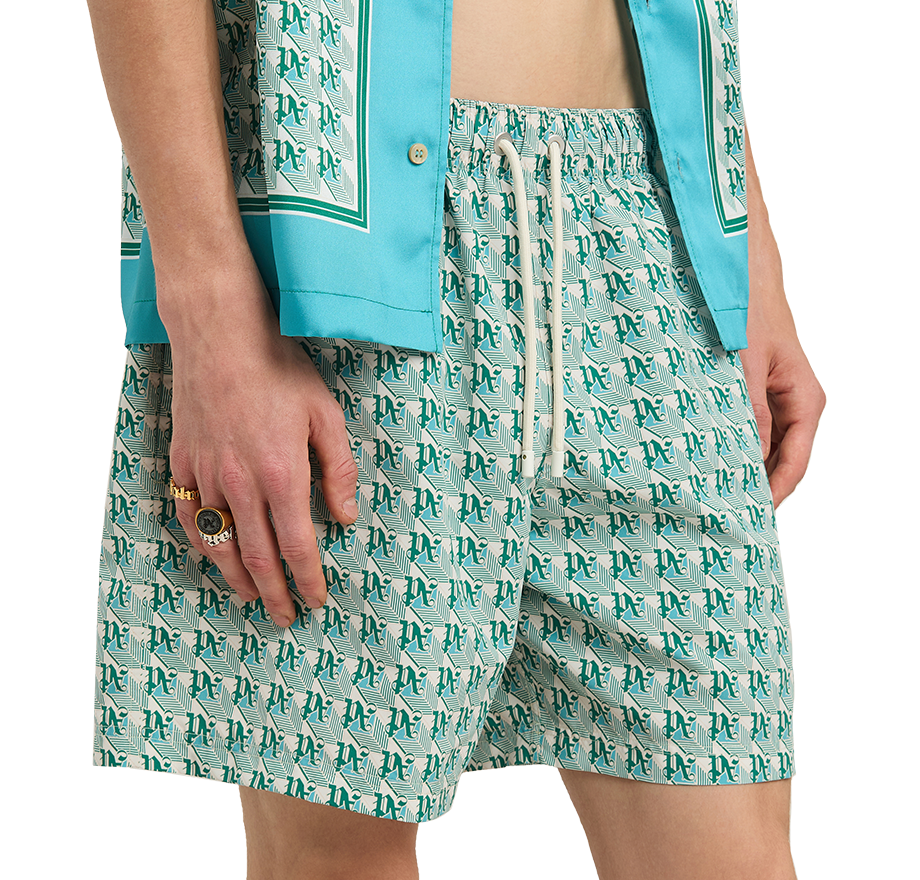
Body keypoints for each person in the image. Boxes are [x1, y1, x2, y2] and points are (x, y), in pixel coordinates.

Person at [89, 1, 826, 878]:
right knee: (339, 857)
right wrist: (213, 318)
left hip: (653, 235)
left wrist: (751, 253)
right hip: (337, 241)